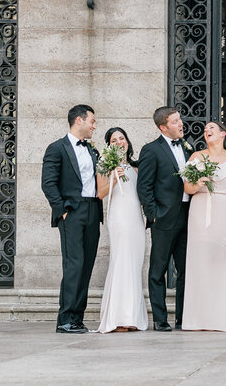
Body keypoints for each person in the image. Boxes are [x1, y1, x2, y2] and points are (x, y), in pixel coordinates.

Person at [40, 104, 101, 334]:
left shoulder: (92, 150)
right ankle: (65, 319)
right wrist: (62, 210)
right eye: (92, 121)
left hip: (93, 210)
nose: (94, 126)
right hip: (72, 212)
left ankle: (77, 318)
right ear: (79, 120)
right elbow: (48, 182)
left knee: (86, 266)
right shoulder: (57, 148)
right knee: (74, 265)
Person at [181, 121, 226, 331]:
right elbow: (187, 188)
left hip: (225, 211)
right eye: (206, 129)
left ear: (223, 134)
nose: (207, 131)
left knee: (223, 261)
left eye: (212, 129)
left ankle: (220, 318)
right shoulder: (196, 157)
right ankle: (198, 319)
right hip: (201, 211)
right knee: (201, 260)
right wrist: (198, 183)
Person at [137, 106, 190, 332]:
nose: (181, 124)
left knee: (186, 269)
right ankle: (160, 318)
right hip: (164, 219)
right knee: (158, 270)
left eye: (180, 120)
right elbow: (144, 187)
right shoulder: (151, 150)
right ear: (163, 127)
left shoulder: (189, 149)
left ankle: (183, 316)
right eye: (176, 121)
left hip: (188, 217)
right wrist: (154, 215)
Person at [95, 127, 147, 333]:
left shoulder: (136, 168)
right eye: (114, 140)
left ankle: (132, 316)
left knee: (134, 265)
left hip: (136, 220)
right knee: (121, 262)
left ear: (127, 141)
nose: (119, 142)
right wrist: (113, 178)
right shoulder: (104, 166)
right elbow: (100, 193)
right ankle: (118, 317)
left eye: (122, 138)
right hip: (119, 219)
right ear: (108, 145)